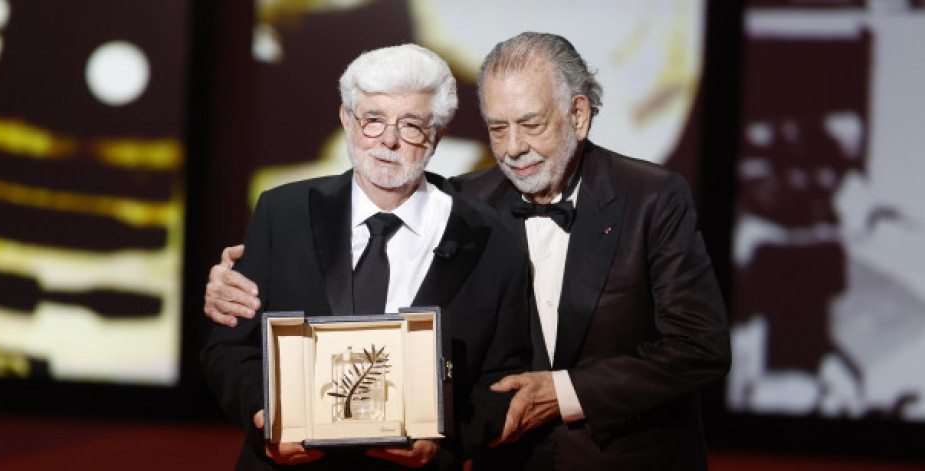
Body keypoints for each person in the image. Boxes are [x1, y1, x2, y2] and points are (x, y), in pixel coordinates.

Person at [206, 32, 731, 470]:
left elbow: (700, 348)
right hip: (510, 462)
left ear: (578, 115)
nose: (513, 148)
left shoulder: (653, 198)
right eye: (498, 128)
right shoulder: (467, 203)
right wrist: (230, 276)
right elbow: (384, 196)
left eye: (531, 124)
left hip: (621, 458)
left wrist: (563, 393)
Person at [200, 43, 532, 471]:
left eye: (411, 125)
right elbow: (227, 349)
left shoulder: (494, 240)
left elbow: (502, 379)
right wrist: (265, 418)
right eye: (372, 120)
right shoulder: (281, 212)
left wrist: (445, 442)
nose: (388, 140)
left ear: (437, 135)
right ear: (346, 120)